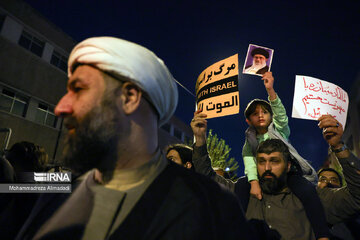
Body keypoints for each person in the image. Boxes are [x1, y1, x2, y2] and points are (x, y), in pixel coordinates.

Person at [15, 37, 251, 240]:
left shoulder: (209, 207)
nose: (60, 107)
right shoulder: (56, 186)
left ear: (129, 98)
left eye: (79, 89)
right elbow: (14, 183)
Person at [191, 113, 360, 239]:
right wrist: (199, 139)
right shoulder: (242, 191)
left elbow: (356, 197)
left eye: (274, 161)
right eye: (262, 161)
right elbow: (206, 178)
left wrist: (338, 146)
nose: (267, 168)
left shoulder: (311, 197)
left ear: (287, 166)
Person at [241, 72, 328, 238]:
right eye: (255, 113)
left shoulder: (279, 130)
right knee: (239, 186)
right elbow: (249, 161)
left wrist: (270, 91)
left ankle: (322, 233)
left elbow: (281, 116)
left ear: (271, 116)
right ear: (248, 120)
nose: (260, 115)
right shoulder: (249, 140)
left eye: (264, 112)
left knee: (307, 191)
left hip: (287, 174)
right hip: (261, 176)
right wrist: (253, 182)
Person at [317, 167, 360, 240]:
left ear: (341, 187)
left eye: (333, 180)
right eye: (323, 179)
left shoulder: (353, 218)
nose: (328, 182)